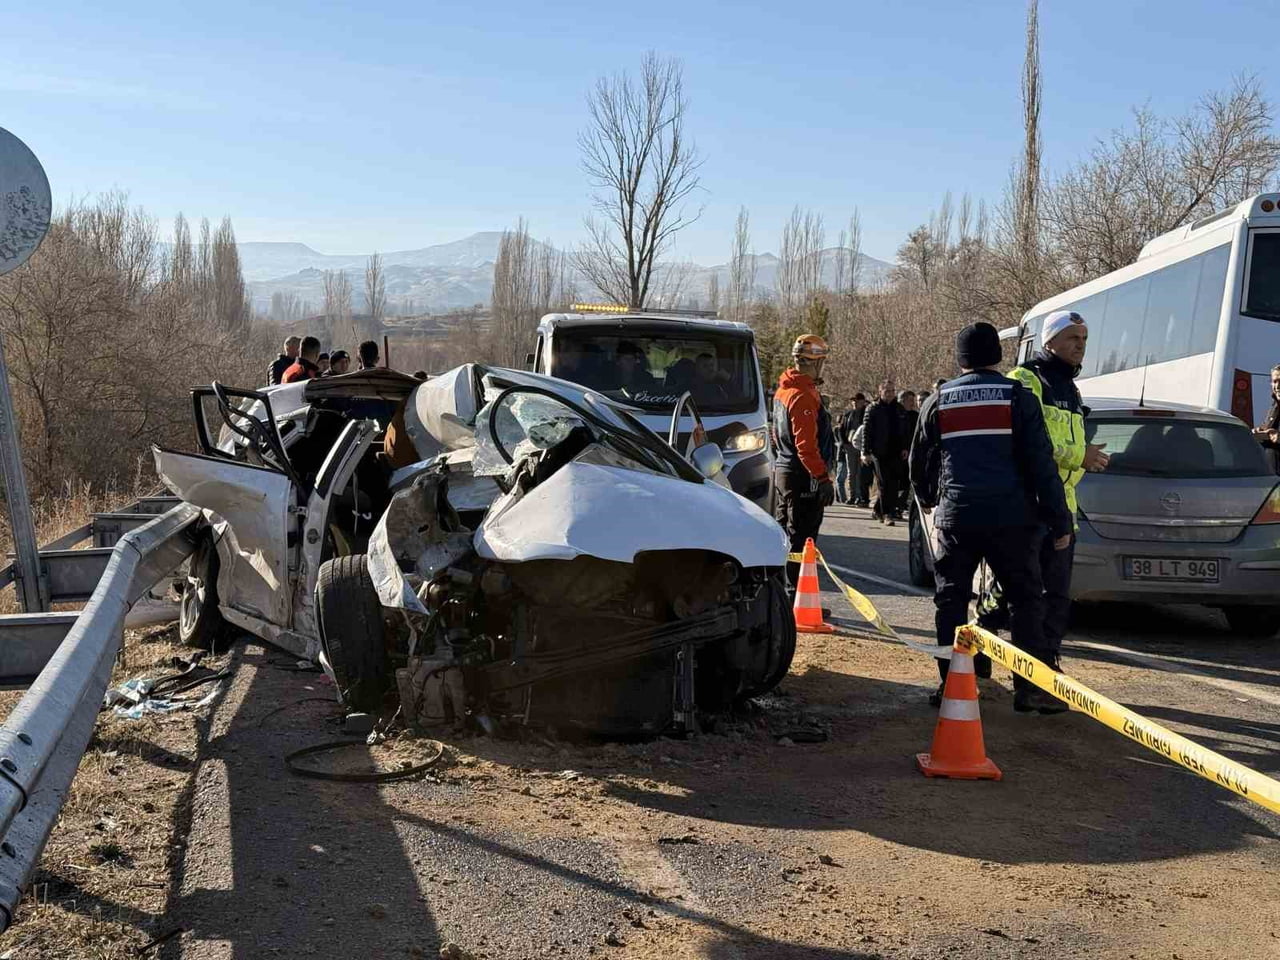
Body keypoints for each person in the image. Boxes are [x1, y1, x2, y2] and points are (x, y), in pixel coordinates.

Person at [910, 322, 1074, 714]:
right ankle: (1030, 689)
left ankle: (953, 685)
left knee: (951, 601)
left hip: (958, 517)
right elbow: (1041, 464)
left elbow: (919, 461)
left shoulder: (939, 399)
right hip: (1012, 519)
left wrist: (930, 499)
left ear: (961, 359)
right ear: (997, 357)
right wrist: (1059, 520)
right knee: (1025, 602)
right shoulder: (1017, 396)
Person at [1005, 309, 1110, 671]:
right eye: (1072, 338)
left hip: (1063, 510)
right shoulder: (1025, 379)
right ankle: (988, 660)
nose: (1081, 345)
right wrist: (1081, 456)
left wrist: (1087, 457)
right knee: (1015, 597)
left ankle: (1047, 667)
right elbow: (1029, 443)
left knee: (1057, 598)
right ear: (1050, 342)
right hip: (1028, 507)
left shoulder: (1071, 386)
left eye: (1084, 339)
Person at [772, 335, 836, 587]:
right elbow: (806, 446)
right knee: (801, 539)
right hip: (802, 476)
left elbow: (777, 435)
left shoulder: (784, 390)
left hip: (784, 470)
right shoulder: (802, 395)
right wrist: (822, 478)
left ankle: (781, 593)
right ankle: (794, 595)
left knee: (784, 534)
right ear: (815, 362)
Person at [862, 379, 907, 525]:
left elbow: (904, 430)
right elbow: (866, 431)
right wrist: (865, 452)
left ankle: (877, 509)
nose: (890, 394)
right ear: (880, 392)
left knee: (893, 483)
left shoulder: (899, 409)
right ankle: (887, 513)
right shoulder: (873, 408)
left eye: (892, 391)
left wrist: (905, 447)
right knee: (884, 483)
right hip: (879, 452)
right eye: (887, 391)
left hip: (896, 451)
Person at [836, 394, 867, 504]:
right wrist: (844, 443)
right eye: (854, 401)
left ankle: (860, 496)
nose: (855, 403)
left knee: (860, 473)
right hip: (849, 447)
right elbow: (841, 430)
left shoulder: (866, 413)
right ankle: (853, 495)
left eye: (857, 401)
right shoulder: (847, 414)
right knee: (851, 472)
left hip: (862, 446)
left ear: (863, 402)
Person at [1253, 363, 1280, 475]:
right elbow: (1268, 429)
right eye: (1274, 381)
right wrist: (1259, 431)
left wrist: (1277, 437)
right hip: (1271, 475)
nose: (1277, 386)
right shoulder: (1275, 405)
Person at [898, 390, 921, 506]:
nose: (913, 403)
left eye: (913, 400)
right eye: (910, 400)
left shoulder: (916, 416)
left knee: (907, 480)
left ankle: (901, 504)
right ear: (902, 401)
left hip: (911, 452)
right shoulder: (895, 414)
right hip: (896, 453)